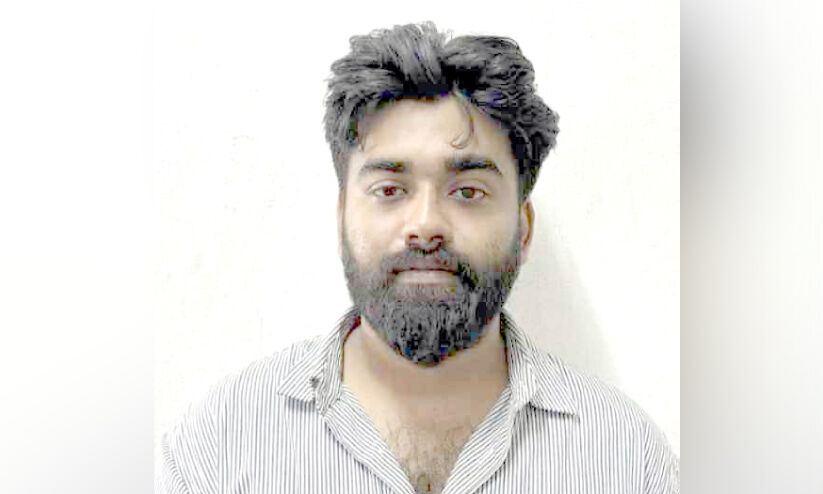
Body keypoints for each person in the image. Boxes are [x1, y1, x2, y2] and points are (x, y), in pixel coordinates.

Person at [156, 22, 679, 494]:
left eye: (468, 191)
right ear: (342, 216)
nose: (425, 225)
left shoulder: (626, 461)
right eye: (389, 189)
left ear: (523, 228)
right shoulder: (220, 448)